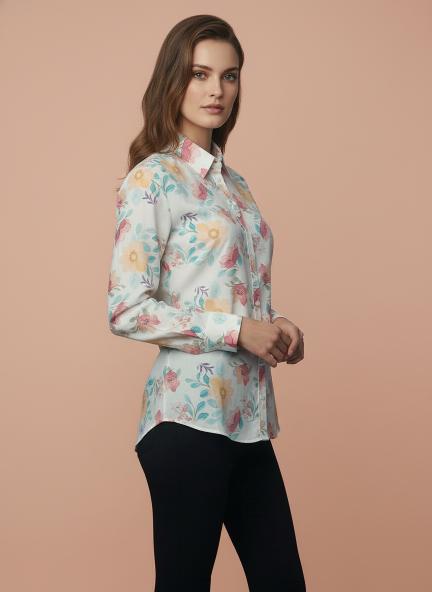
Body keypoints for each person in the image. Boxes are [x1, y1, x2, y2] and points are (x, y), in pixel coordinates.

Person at [107, 14, 306, 592]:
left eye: (229, 75)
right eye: (200, 74)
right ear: (174, 79)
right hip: (187, 421)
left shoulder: (235, 185)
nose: (216, 89)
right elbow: (125, 308)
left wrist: (274, 326)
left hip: (247, 420)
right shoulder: (153, 179)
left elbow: (229, 288)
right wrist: (238, 330)